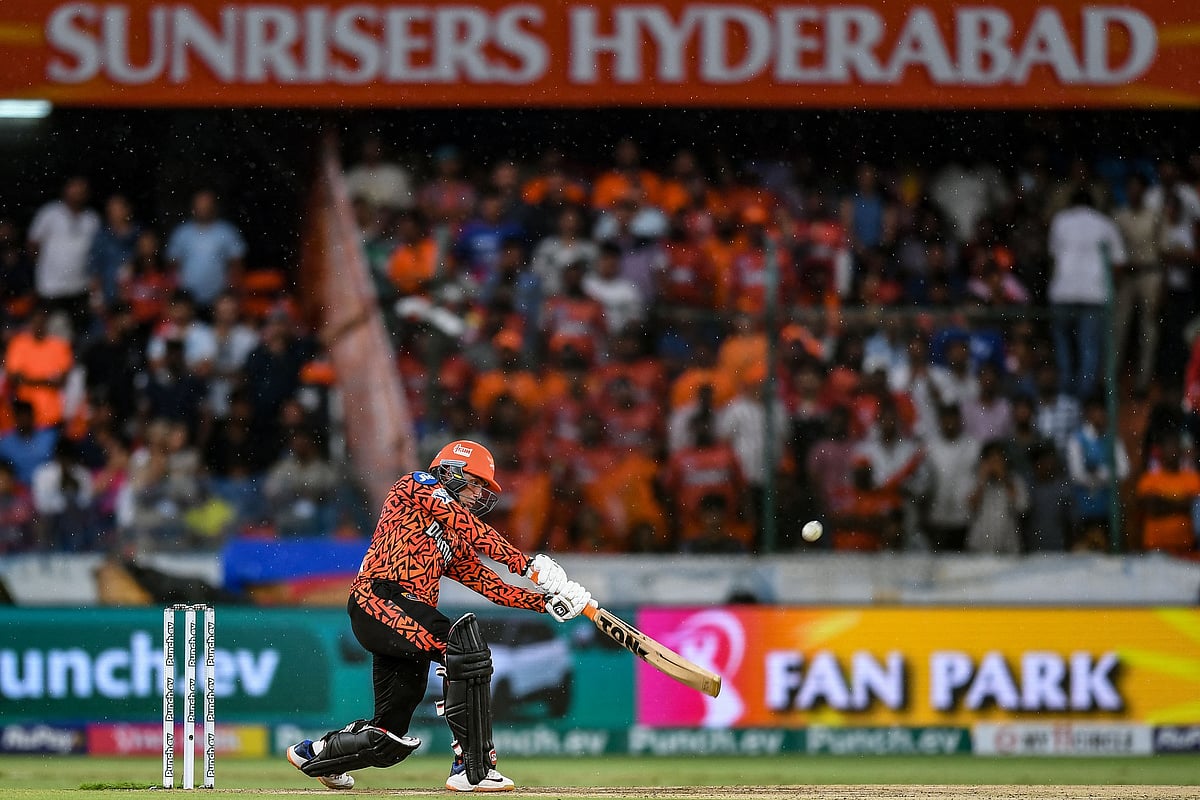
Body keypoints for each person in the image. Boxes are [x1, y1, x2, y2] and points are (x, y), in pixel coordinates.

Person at [285, 439, 592, 792]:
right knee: (465, 649)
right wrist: (526, 564)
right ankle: (471, 768)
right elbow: (467, 526)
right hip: (379, 599)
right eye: (475, 483)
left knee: (388, 739)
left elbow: (488, 583)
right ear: (452, 471)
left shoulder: (456, 535)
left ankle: (317, 752)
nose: (478, 495)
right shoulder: (415, 485)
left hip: (405, 621)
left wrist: (545, 602)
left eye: (483, 489)